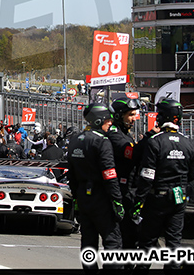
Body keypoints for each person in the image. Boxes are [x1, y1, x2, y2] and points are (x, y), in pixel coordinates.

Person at [132, 98, 194, 271]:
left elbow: (147, 176)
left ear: (163, 117)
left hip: (156, 200)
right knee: (174, 244)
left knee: (147, 244)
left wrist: (138, 201)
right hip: (178, 199)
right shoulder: (187, 143)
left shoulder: (155, 141)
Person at [66, 103, 125, 271]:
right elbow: (109, 174)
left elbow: (71, 174)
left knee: (88, 243)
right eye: (108, 121)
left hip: (83, 197)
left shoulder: (75, 139)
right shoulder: (102, 141)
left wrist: (77, 197)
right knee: (113, 242)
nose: (110, 124)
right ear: (99, 121)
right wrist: (117, 201)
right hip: (101, 197)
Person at [108, 96, 145, 256]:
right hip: (120, 192)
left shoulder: (126, 134)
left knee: (133, 237)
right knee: (122, 238)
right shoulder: (114, 134)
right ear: (118, 115)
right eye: (130, 115)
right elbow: (131, 154)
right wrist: (151, 138)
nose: (133, 119)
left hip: (130, 189)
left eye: (134, 115)